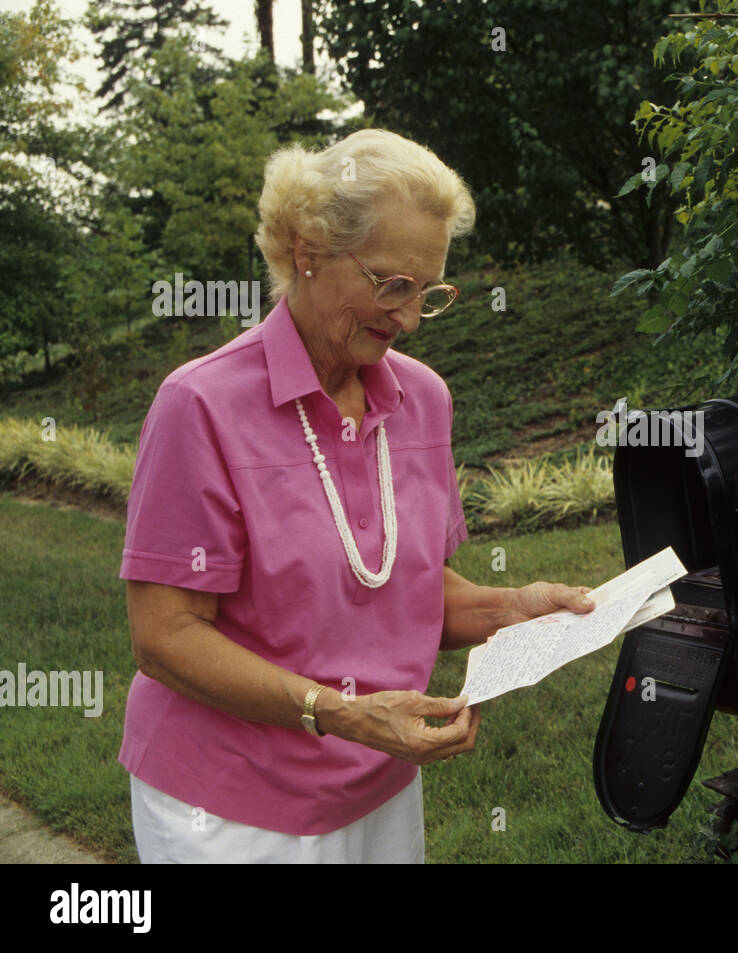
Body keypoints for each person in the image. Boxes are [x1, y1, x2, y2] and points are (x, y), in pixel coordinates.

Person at [118, 128, 594, 863]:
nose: (406, 318)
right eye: (389, 284)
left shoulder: (424, 400)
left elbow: (407, 592)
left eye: (426, 292)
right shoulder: (200, 405)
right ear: (307, 248)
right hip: (226, 810)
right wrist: (341, 713)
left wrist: (512, 608)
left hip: (379, 786)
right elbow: (165, 638)